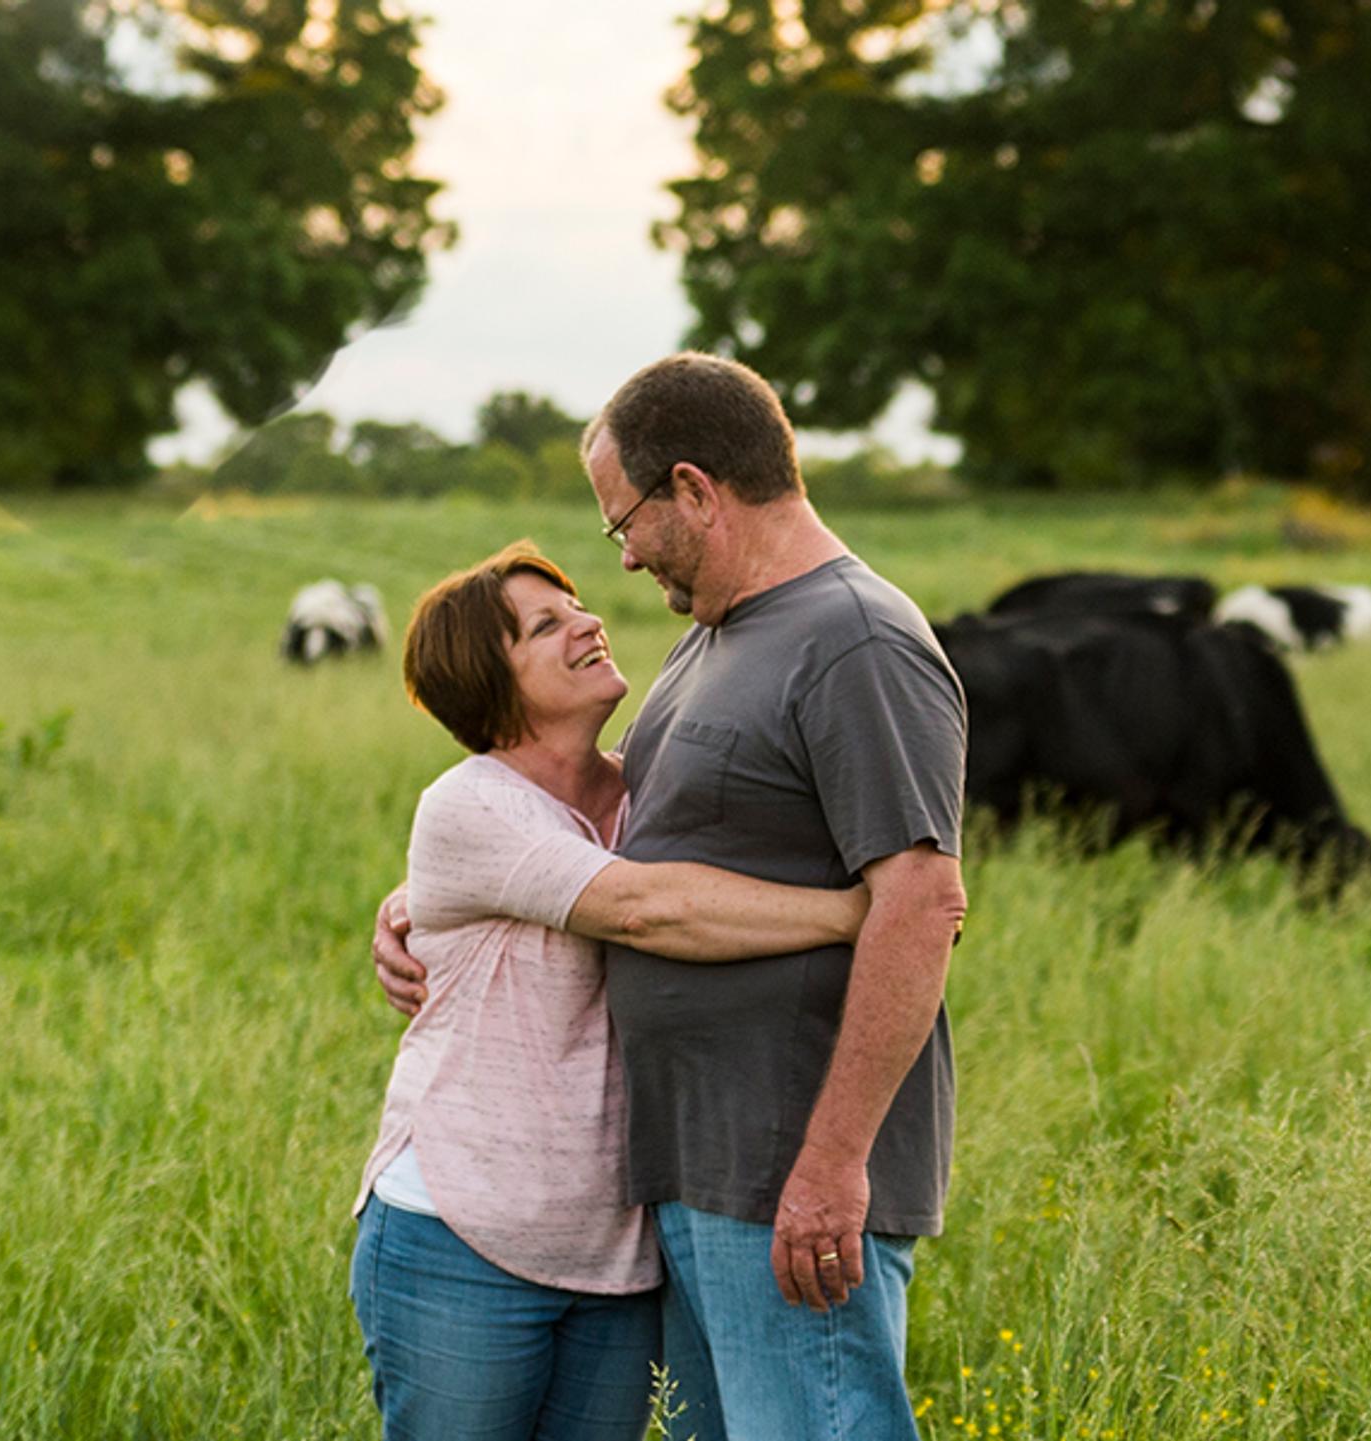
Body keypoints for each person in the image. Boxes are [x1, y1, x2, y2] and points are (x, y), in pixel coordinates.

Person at [374, 353, 969, 1441]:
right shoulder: (717, 634)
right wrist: (424, 901)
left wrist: (833, 1165)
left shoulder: (857, 640)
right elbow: (605, 843)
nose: (627, 555)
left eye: (624, 525)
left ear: (694, 489)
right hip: (692, 1173)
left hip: (789, 1166)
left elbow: (921, 902)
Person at [356, 541, 877, 1441]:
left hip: (616, 1255)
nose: (589, 623)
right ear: (490, 677)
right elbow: (642, 909)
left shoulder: (651, 786)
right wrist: (859, 914)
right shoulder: (469, 804)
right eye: (545, 626)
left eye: (579, 607)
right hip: (460, 1232)